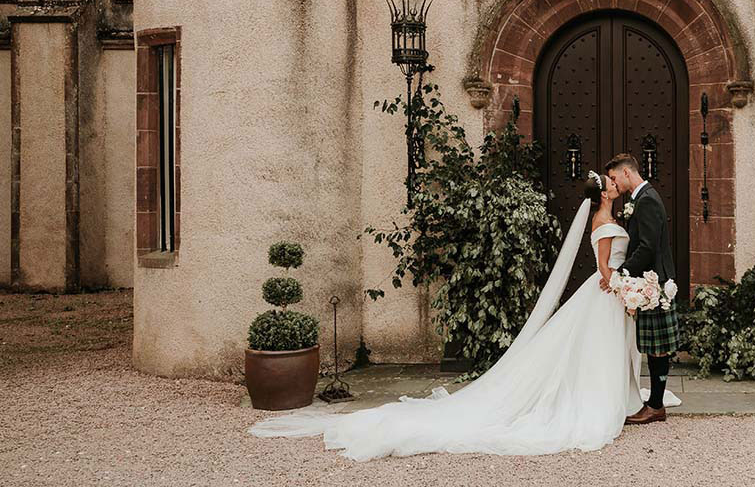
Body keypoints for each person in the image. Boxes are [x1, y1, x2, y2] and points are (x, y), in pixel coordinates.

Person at [249, 170, 677, 459]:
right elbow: (604, 268)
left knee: (598, 351)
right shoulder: (605, 220)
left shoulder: (613, 214)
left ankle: (620, 397)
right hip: (605, 292)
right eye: (613, 185)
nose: (617, 188)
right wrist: (619, 280)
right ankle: (605, 401)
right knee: (595, 350)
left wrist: (625, 283)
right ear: (605, 192)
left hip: (611, 295)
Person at [604, 152, 679, 424]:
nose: (615, 184)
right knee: (654, 344)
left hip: (654, 280)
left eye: (615, 178)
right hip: (653, 278)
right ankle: (655, 403)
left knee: (658, 345)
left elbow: (647, 247)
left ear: (627, 173)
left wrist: (621, 273)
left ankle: (656, 406)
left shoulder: (646, 200)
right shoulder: (643, 199)